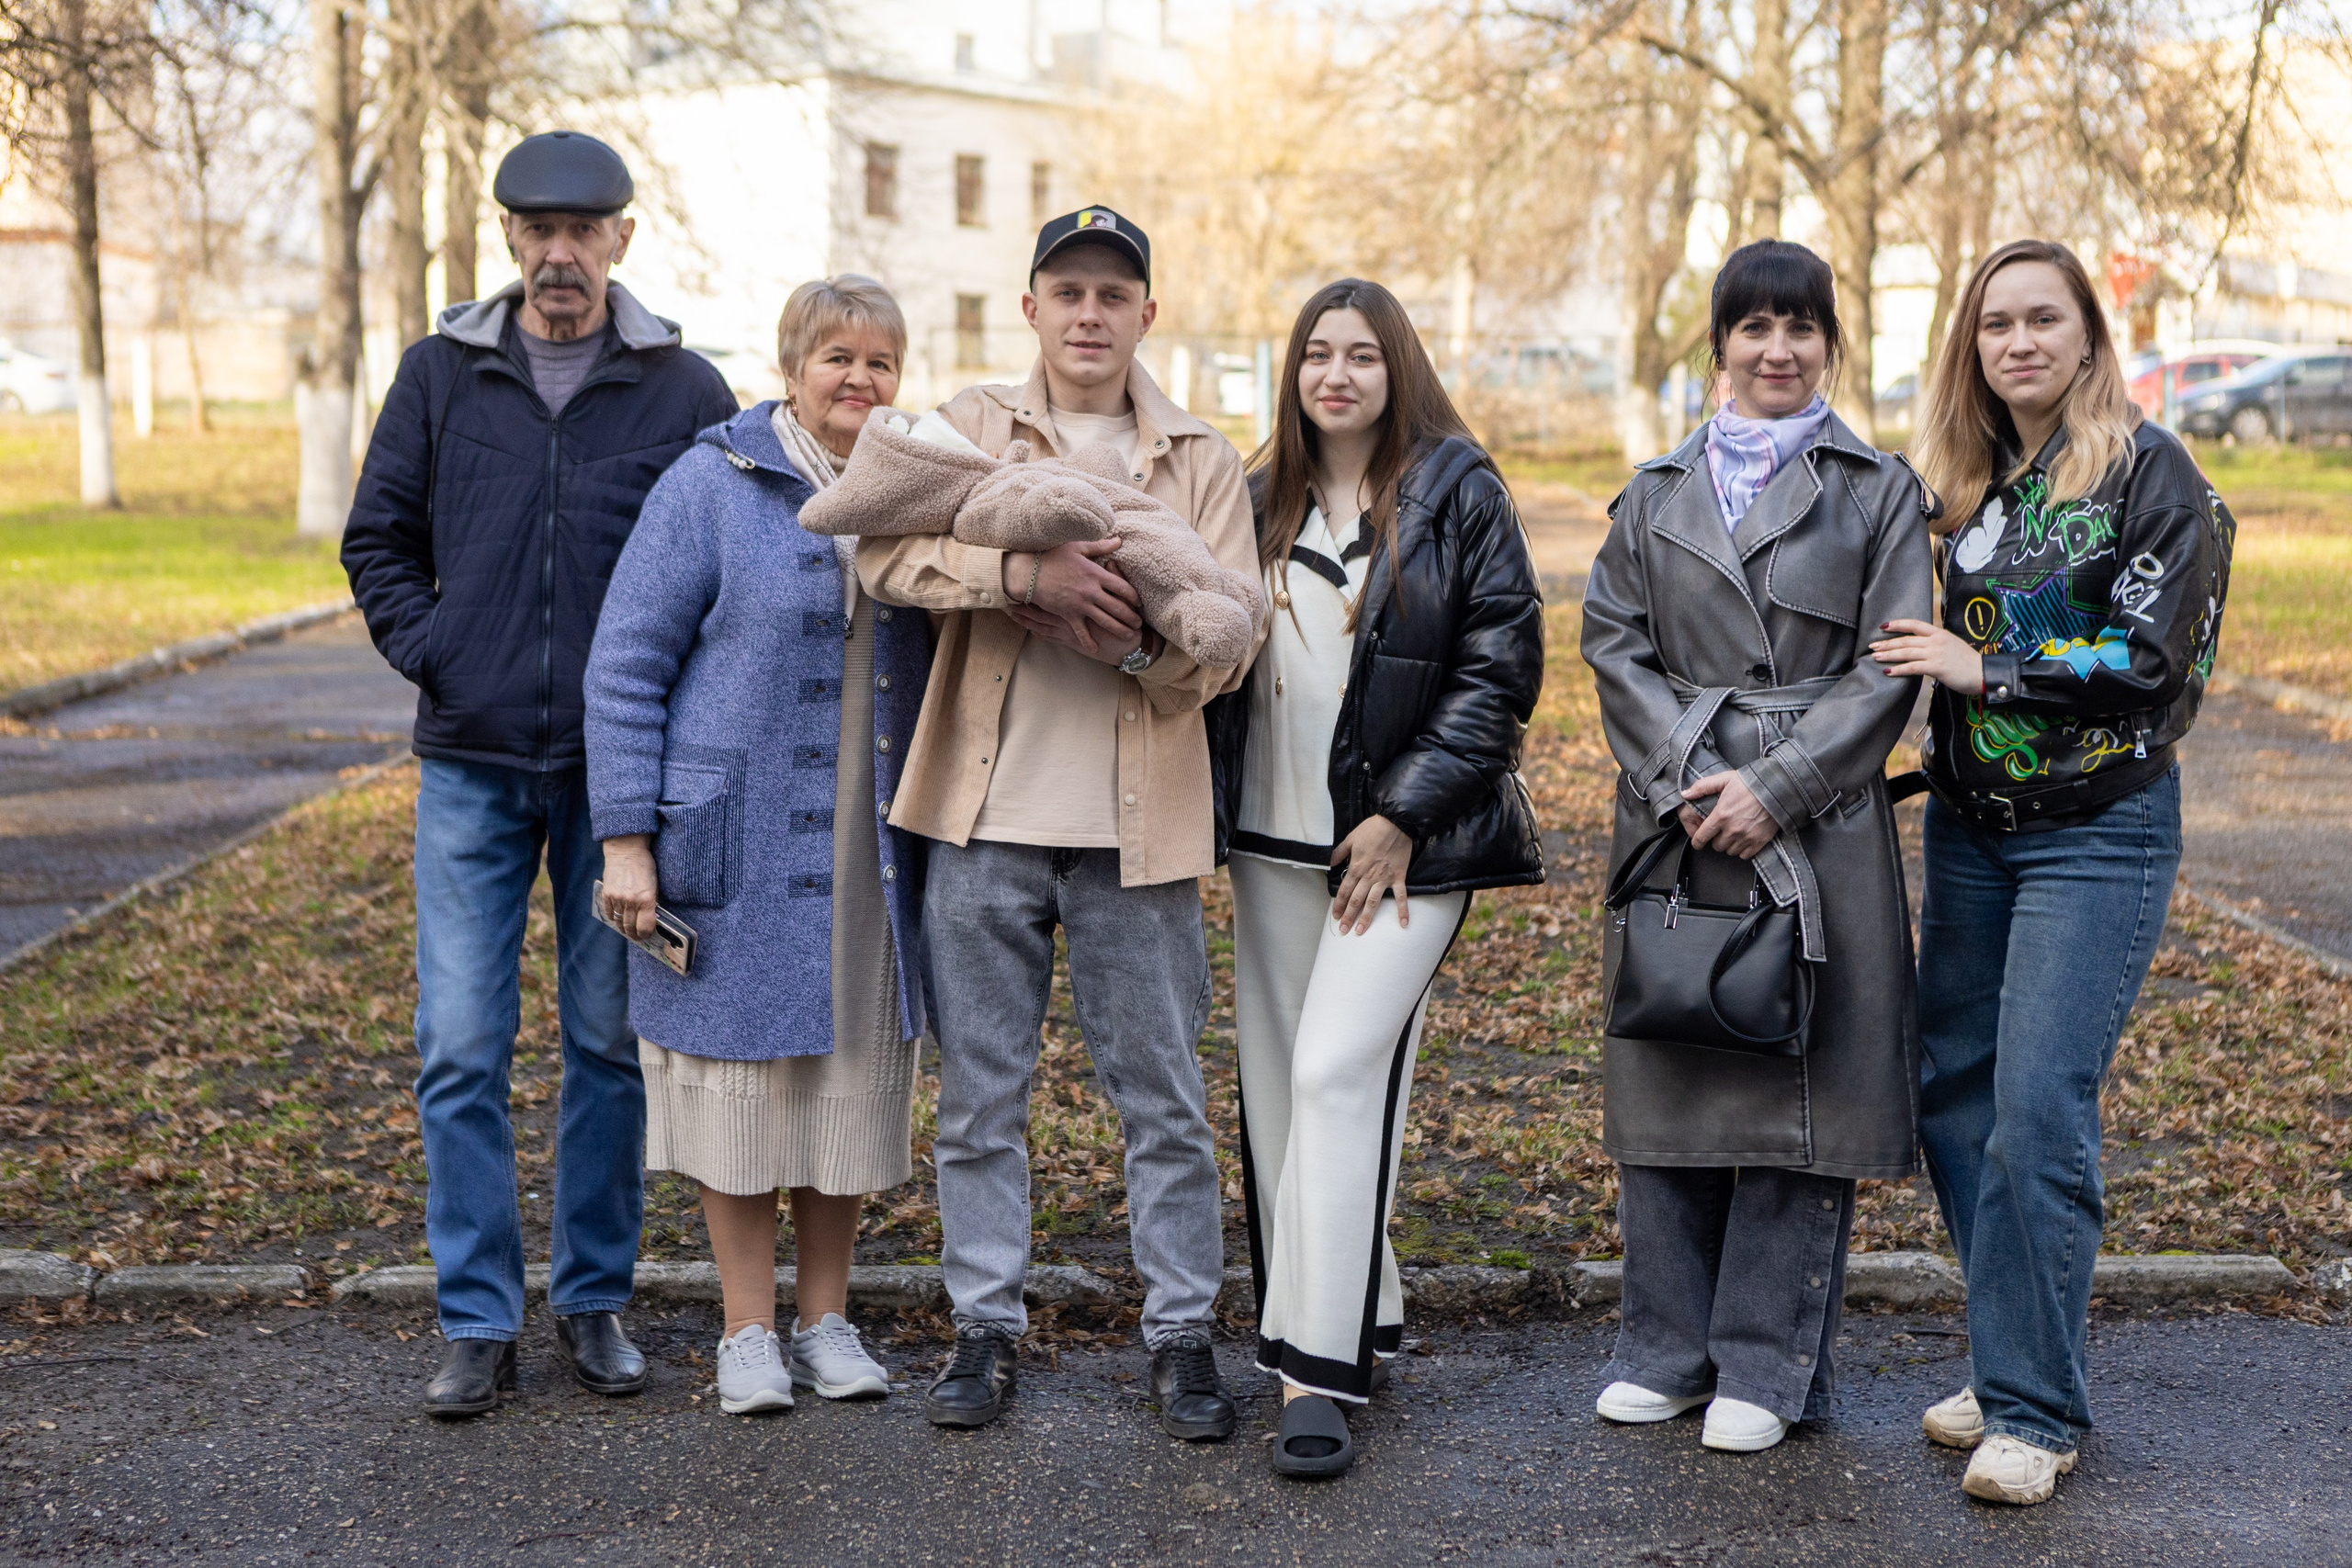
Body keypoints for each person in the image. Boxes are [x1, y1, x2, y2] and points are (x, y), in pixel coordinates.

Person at [341, 130, 739, 1417]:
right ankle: (475, 1317)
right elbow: (378, 538)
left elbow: (726, 565)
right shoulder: (440, 376)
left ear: (624, 237)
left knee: (604, 1044)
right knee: (458, 1046)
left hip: (617, 780)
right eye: (535, 230)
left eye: (584, 230)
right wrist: (439, 652)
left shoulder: (684, 392)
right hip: (471, 761)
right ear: (507, 238)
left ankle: (595, 1301)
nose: (559, 253)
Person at [855, 207, 1256, 1438]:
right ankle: (984, 1325)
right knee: (981, 1095)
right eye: (1067, 290)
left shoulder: (1202, 457)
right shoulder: (972, 425)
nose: (1091, 313)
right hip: (981, 822)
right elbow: (883, 554)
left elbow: (1230, 643)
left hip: (1142, 835)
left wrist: (1131, 634)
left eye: (1113, 294)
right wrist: (1022, 578)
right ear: (1031, 307)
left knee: (1165, 1098)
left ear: (1148, 311)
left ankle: (1182, 1333)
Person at [1871, 239, 2233, 1506]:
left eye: (2043, 320)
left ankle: (2035, 1408)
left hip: (2099, 831)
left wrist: (1993, 673)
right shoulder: (1966, 484)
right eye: (1995, 325)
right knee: (1952, 1098)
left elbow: (2155, 662)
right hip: (1970, 832)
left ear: (2088, 336)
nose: (2018, 343)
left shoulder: (2151, 473)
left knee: (2033, 1110)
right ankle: (2014, 1348)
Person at [1580, 239, 1932, 1455]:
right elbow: (1611, 642)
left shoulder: (1879, 490)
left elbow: (1893, 666)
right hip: (1675, 812)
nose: (1777, 349)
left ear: (1831, 344)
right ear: (1719, 345)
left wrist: (1776, 784)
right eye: (1753, 328)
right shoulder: (1652, 489)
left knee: (1798, 1087)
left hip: (1817, 817)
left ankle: (1768, 1364)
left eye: (1802, 327)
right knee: (1673, 1056)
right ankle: (1666, 1350)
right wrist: (1686, 779)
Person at [1211, 279, 1544, 1478]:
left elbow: (1500, 672)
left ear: (1397, 365)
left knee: (1338, 1069)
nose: (1338, 373)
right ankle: (1368, 1300)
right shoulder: (1250, 500)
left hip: (1404, 851)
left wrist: (1403, 815)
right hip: (1268, 842)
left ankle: (1314, 1366)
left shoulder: (1459, 488)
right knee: (1281, 1090)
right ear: (1292, 371)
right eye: (1317, 353)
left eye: (1361, 353)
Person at [583, 276, 930, 1415]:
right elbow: (626, 665)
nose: (859, 381)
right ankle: (745, 1334)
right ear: (790, 368)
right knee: (740, 1089)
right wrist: (627, 841)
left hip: (864, 846)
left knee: (840, 1080)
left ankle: (829, 1321)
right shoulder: (711, 484)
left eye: (880, 363)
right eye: (837, 357)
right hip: (726, 839)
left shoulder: (916, 492)